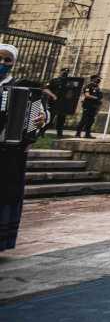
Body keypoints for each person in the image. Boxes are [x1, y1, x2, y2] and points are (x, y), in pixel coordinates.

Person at [0, 44, 49, 251]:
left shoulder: (22, 87)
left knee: (5, 195)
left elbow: (43, 113)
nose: (2, 63)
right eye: (0, 59)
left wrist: (42, 118)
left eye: (7, 60)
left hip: (9, 154)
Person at [46, 67, 72, 138]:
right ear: (60, 72)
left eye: (67, 72)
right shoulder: (54, 80)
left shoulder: (69, 82)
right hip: (53, 103)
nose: (65, 73)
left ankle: (59, 134)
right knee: (50, 119)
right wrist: (53, 95)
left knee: (61, 120)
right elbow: (45, 89)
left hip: (63, 103)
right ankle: (41, 132)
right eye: (64, 72)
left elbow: (71, 92)